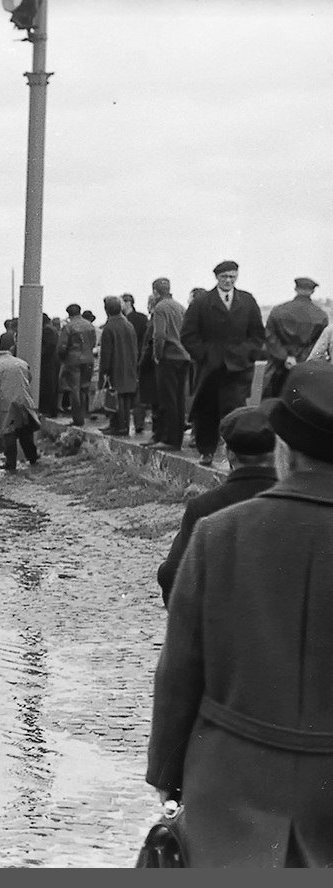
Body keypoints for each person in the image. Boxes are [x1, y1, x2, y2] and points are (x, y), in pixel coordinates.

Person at [146, 360, 333, 867]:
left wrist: (168, 776)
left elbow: (180, 670)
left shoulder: (219, 533)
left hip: (230, 785)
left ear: (285, 451)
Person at [153, 406, 279, 606]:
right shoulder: (295, 501)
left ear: (229, 454)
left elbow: (172, 574)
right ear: (275, 451)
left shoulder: (204, 507)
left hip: (220, 626)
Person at [180, 260, 265, 466]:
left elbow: (257, 334)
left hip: (238, 368)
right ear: (216, 278)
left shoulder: (247, 301)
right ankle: (206, 451)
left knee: (235, 411)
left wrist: (246, 354)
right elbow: (188, 335)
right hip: (210, 368)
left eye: (232, 276)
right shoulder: (201, 303)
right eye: (224, 277)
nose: (228, 281)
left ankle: (236, 454)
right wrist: (204, 355)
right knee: (206, 409)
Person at [143, 279, 191, 451]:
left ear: (155, 291)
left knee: (167, 399)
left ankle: (169, 439)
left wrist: (157, 355)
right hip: (183, 356)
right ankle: (176, 438)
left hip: (169, 357)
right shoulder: (180, 307)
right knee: (178, 400)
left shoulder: (160, 308)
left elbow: (159, 335)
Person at [261, 277, 327, 399]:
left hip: (277, 366)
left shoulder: (278, 311)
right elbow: (319, 345)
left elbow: (269, 337)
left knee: (271, 405)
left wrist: (286, 357)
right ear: (312, 291)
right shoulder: (320, 315)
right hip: (305, 367)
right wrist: (300, 358)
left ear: (296, 289)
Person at [0, 344, 41, 473]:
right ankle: (32, 458)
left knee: (8, 432)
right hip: (23, 402)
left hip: (6, 404)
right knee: (25, 431)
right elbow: (29, 378)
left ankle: (11, 463)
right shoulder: (22, 363)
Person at [99, 295, 138, 436]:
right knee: (126, 397)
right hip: (129, 364)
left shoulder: (109, 327)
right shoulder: (128, 324)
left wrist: (104, 370)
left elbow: (106, 353)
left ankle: (117, 426)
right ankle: (124, 426)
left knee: (116, 397)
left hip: (116, 366)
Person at [59, 303, 98, 427]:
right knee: (84, 388)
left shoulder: (68, 327)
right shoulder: (90, 326)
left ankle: (77, 419)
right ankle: (84, 413)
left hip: (73, 359)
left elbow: (62, 347)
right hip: (88, 359)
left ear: (69, 314)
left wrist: (63, 359)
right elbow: (93, 342)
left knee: (74, 389)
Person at [122, 293, 152, 433]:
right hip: (141, 357)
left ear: (127, 303)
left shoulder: (125, 320)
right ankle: (138, 423)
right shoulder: (142, 318)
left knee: (126, 391)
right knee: (139, 391)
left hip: (128, 359)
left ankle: (123, 423)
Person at [39, 313, 61, 417]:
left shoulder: (47, 330)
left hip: (48, 361)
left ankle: (49, 410)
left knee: (48, 386)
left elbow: (49, 346)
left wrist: (39, 356)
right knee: (52, 385)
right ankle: (51, 410)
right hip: (53, 360)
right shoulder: (52, 329)